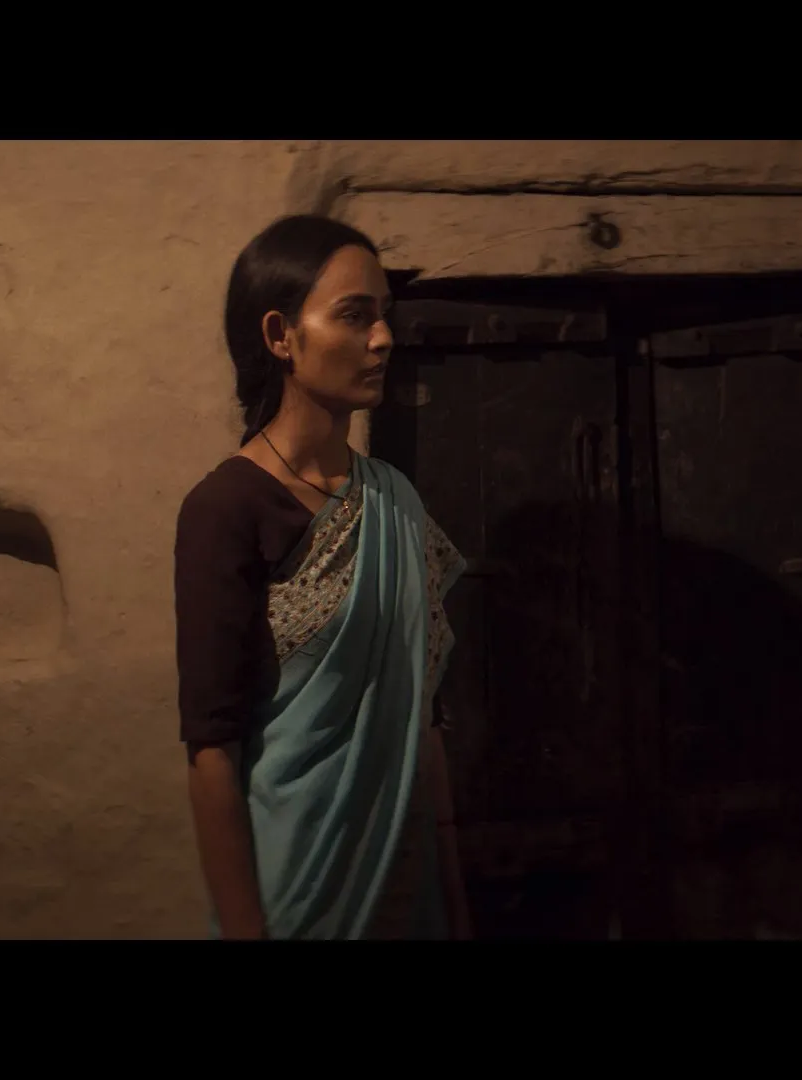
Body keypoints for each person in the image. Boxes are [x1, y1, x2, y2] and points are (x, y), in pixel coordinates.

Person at [172, 214, 472, 939]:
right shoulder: (227, 507)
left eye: (384, 315)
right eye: (354, 315)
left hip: (405, 880)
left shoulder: (394, 501)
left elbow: (422, 715)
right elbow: (212, 747)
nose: (383, 338)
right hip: (293, 889)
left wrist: (454, 893)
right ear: (281, 336)